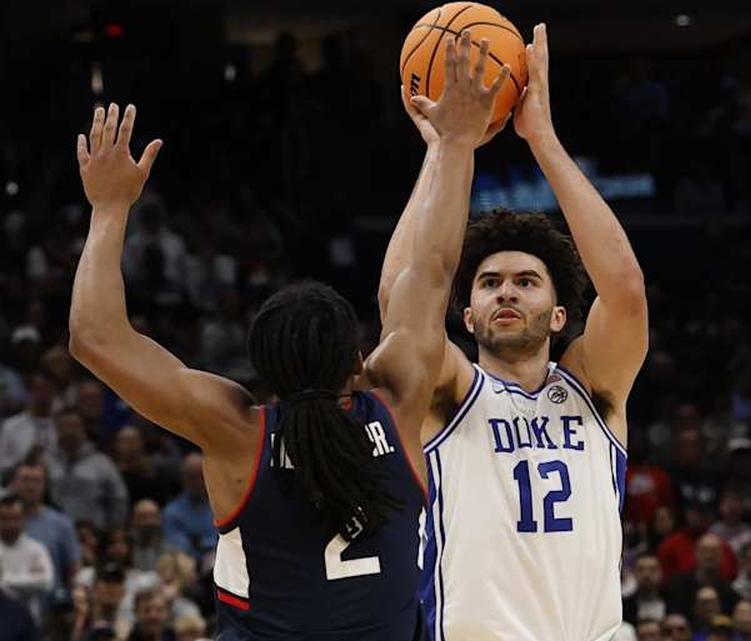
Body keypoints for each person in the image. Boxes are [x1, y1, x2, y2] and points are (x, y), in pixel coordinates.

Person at [67, 44, 501, 634]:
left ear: (262, 371)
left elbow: (94, 336)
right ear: (358, 362)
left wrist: (109, 208)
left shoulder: (238, 433)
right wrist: (454, 148)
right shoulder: (397, 404)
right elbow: (430, 269)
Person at [380, 27, 649, 641]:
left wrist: (543, 139)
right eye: (489, 283)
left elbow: (627, 290)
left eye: (527, 282)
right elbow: (401, 298)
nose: (506, 290)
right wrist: (446, 150)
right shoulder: (448, 392)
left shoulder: (596, 390)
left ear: (560, 315)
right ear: (467, 315)